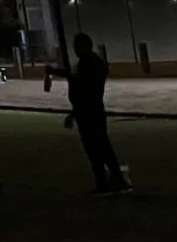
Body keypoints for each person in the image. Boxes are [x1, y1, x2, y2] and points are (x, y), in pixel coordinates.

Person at [50, 33, 130, 194]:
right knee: (97, 147)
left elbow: (84, 86)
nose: (75, 49)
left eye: (77, 45)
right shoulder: (89, 63)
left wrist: (64, 75)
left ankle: (110, 179)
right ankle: (107, 180)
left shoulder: (90, 63)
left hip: (90, 110)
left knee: (97, 147)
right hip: (88, 109)